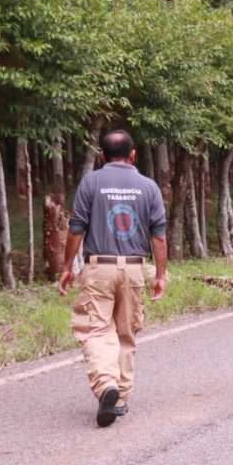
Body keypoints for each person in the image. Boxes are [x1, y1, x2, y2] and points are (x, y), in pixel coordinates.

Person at [59, 130, 168, 427]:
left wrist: (67, 266)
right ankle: (119, 397)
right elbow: (158, 237)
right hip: (134, 268)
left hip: (99, 267)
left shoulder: (91, 182)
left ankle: (106, 384)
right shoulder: (149, 186)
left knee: (95, 329)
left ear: (102, 155)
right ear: (133, 154)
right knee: (126, 332)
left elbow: (76, 228)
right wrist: (160, 274)